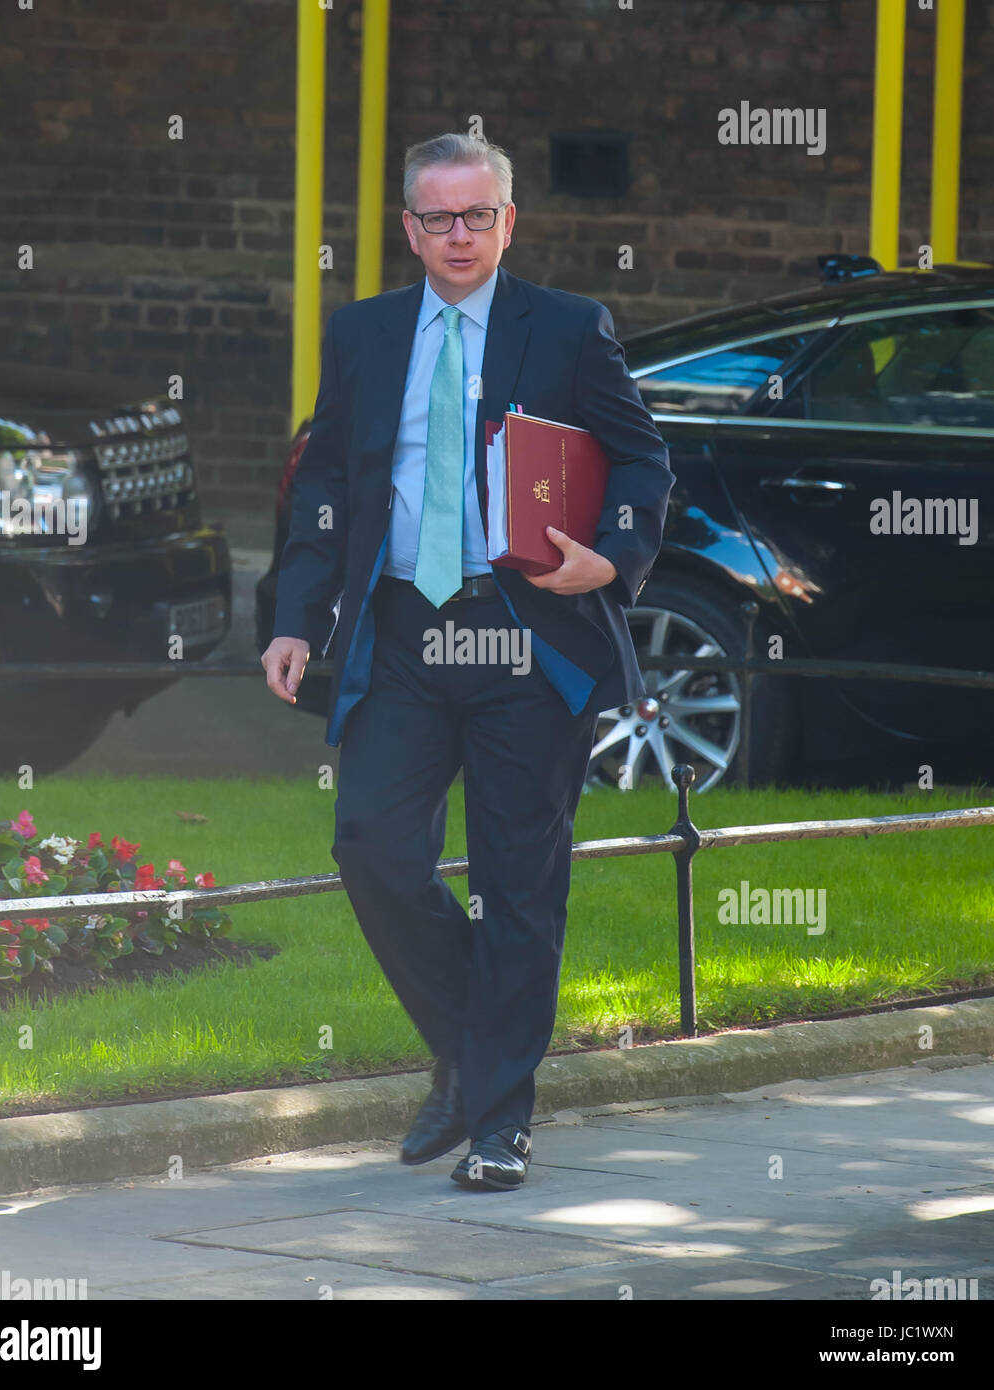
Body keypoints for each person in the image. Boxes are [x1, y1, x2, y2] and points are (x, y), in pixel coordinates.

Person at [262, 131, 674, 1191]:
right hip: (401, 633)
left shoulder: (570, 328)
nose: (458, 234)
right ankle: (467, 1044)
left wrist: (612, 556)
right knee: (372, 848)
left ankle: (498, 1122)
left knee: (515, 883)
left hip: (524, 635)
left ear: (508, 222)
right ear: (408, 227)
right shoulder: (361, 336)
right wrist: (296, 616)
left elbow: (640, 457)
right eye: (437, 217)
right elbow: (322, 491)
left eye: (476, 215)